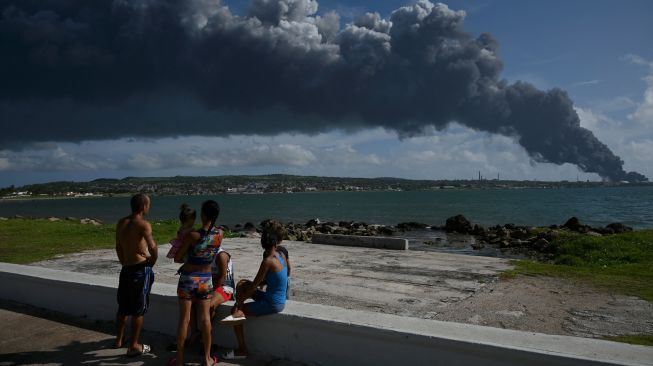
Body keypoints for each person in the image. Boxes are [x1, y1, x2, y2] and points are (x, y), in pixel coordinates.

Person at [220, 220, 288, 360]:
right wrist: (244, 290)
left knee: (235, 311)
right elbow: (275, 278)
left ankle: (242, 349)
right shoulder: (281, 255)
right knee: (242, 283)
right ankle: (238, 311)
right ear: (276, 243)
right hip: (276, 298)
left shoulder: (267, 261)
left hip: (272, 303)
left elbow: (254, 286)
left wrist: (239, 301)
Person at [170, 200, 224, 366]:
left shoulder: (193, 236)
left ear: (203, 214)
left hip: (188, 279)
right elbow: (209, 252)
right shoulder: (220, 234)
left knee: (184, 320)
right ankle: (207, 359)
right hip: (205, 280)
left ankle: (179, 360)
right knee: (205, 319)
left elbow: (177, 258)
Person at [115, 193, 158, 357]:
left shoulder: (121, 223)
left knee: (123, 307)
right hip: (140, 269)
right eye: (149, 204)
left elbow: (118, 247)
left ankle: (119, 339)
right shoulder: (143, 224)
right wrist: (151, 263)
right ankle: (134, 345)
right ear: (143, 207)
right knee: (139, 309)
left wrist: (124, 262)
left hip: (126, 269)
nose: (149, 207)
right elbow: (153, 247)